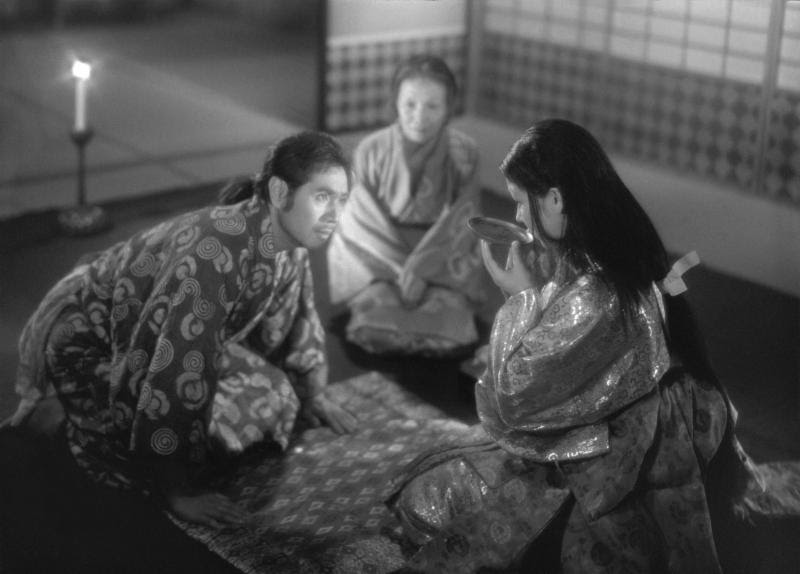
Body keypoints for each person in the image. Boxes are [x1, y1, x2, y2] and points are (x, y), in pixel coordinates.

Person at [386, 119, 761, 573]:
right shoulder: (613, 253)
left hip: (610, 460)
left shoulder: (599, 295)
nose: (520, 217)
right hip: (622, 427)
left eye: (522, 203)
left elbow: (517, 395)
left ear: (556, 199)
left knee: (429, 498)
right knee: (451, 464)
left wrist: (520, 298)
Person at [0, 131, 358, 573]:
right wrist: (177, 488)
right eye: (323, 197)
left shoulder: (286, 243)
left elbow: (295, 324)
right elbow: (175, 362)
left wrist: (312, 391)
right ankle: (73, 416)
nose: (334, 215)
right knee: (184, 443)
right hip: (93, 345)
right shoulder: (215, 254)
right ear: (281, 192)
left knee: (278, 395)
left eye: (342, 200)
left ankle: (115, 422)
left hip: (162, 344)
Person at [327, 54, 487, 357]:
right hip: (381, 257)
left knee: (450, 324)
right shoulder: (371, 150)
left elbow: (464, 221)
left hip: (442, 258)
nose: (419, 116)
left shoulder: (464, 153)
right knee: (373, 324)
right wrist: (402, 271)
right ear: (395, 103)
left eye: (432, 106)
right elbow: (359, 222)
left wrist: (423, 269)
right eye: (410, 104)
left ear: (448, 108)